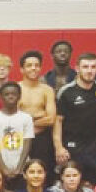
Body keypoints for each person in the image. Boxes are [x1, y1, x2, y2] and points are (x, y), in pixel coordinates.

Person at [54, 53, 96, 186]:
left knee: (94, 188)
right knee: (72, 185)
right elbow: (58, 121)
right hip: (72, 149)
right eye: (85, 67)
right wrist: (58, 147)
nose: (89, 70)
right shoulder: (67, 91)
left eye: (93, 67)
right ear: (77, 68)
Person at [0, 82, 34, 182]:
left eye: (13, 94)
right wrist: (3, 167)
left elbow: (27, 142)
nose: (10, 96)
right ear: (1, 97)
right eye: (6, 94)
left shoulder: (26, 118)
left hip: (22, 167)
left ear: (19, 96)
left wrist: (20, 167)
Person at [17, 51, 57, 180]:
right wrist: (39, 117)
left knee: (43, 174)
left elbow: (51, 119)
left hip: (42, 139)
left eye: (36, 65)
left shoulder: (47, 90)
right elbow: (14, 120)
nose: (33, 68)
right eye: (29, 65)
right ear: (22, 69)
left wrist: (27, 121)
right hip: (19, 139)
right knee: (20, 174)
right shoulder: (15, 89)